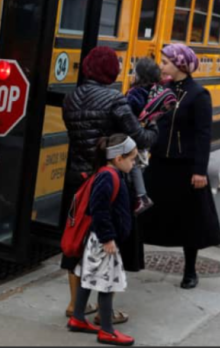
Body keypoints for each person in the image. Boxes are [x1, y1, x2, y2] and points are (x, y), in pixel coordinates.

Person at [61, 46, 159, 322]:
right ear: (110, 71)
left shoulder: (70, 98)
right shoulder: (115, 100)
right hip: (110, 180)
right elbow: (139, 138)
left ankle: (74, 304)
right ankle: (106, 312)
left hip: (78, 179)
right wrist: (154, 125)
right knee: (111, 244)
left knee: (77, 240)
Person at [138, 44, 220, 289]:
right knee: (143, 213)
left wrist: (199, 170)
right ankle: (133, 257)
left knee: (189, 220)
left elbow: (203, 135)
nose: (161, 65)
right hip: (159, 162)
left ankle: (189, 270)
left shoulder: (199, 94)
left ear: (180, 65)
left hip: (185, 167)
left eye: (166, 62)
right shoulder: (160, 89)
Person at [67, 134, 137, 347]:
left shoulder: (108, 173)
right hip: (103, 241)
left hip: (97, 240)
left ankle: (78, 317)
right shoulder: (109, 177)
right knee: (107, 283)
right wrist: (108, 238)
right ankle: (107, 330)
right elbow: (99, 210)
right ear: (118, 158)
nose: (134, 163)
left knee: (88, 277)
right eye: (132, 159)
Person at [125, 58, 178, 215]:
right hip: (148, 136)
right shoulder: (156, 92)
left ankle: (141, 197)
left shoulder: (135, 93)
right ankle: (139, 196)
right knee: (139, 166)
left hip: (133, 137)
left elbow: (127, 113)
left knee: (132, 166)